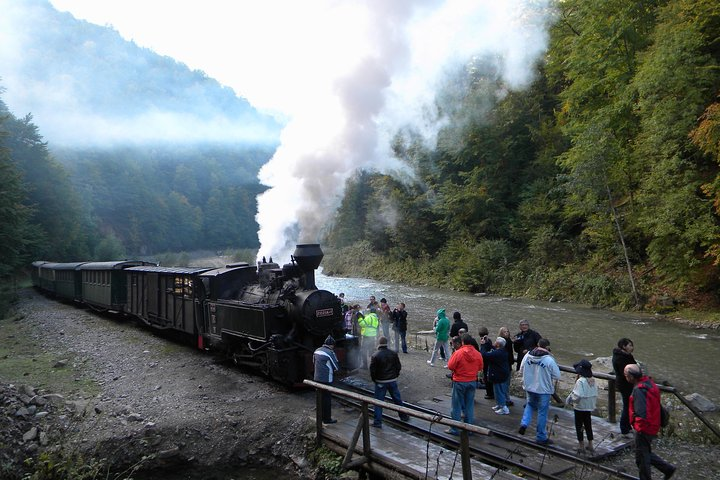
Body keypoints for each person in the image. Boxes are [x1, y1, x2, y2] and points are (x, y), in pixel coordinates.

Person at [624, 364, 676, 479]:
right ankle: (667, 469)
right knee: (644, 452)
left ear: (632, 377)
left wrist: (638, 427)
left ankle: (649, 476)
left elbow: (641, 413)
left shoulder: (638, 390)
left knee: (641, 459)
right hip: (653, 424)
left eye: (626, 375)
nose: (625, 377)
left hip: (644, 428)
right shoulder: (650, 383)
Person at [518, 338, 561, 445]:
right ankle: (541, 436)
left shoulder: (528, 355)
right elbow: (557, 375)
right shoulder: (549, 360)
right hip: (544, 389)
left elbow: (521, 369)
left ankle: (524, 423)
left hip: (529, 387)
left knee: (530, 405)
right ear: (547, 347)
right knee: (542, 412)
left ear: (538, 344)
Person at [445, 333, 484, 435]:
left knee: (456, 405)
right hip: (472, 381)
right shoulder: (477, 353)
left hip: (459, 381)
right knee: (469, 405)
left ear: (462, 342)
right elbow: (480, 367)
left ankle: (455, 428)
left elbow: (450, 366)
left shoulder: (458, 353)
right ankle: (469, 429)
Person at [369, 336, 410, 428]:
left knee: (378, 402)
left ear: (379, 344)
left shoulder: (375, 355)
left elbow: (372, 371)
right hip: (392, 380)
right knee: (397, 399)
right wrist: (395, 375)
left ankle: (377, 422)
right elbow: (398, 366)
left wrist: (375, 380)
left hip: (380, 381)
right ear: (386, 343)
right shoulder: (393, 353)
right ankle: (403, 416)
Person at [566, 359, 598, 454]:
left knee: (579, 425)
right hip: (589, 406)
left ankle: (581, 446)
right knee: (588, 424)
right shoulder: (592, 380)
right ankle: (591, 444)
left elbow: (578, 395)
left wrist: (571, 400)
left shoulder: (580, 381)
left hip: (580, 407)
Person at [313, 335, 340, 424]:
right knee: (327, 399)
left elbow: (314, 362)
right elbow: (336, 367)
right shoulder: (330, 353)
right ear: (332, 345)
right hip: (327, 379)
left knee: (319, 398)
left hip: (316, 378)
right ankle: (327, 419)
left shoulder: (316, 351)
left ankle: (319, 418)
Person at [613, 337, 637, 436]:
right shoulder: (620, 358)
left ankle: (627, 426)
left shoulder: (626, 356)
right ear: (624, 346)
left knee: (629, 405)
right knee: (627, 406)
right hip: (625, 384)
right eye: (630, 345)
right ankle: (624, 429)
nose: (632, 347)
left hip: (628, 384)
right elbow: (626, 372)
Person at [481, 337, 511, 415]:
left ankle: (504, 408)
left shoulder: (497, 353)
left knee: (499, 391)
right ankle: (499, 404)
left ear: (498, 344)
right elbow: (493, 347)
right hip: (501, 374)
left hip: (499, 375)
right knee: (497, 390)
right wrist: (488, 342)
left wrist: (483, 345)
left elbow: (484, 355)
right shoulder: (502, 350)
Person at [498, 326, 515, 406]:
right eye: (505, 332)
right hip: (505, 365)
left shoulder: (507, 342)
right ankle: (506, 399)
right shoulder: (505, 342)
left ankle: (504, 398)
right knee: (505, 383)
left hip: (506, 364)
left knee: (505, 383)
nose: (507, 333)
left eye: (507, 331)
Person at [478, 327, 494, 399]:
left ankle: (489, 393)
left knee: (486, 377)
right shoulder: (489, 340)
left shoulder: (484, 342)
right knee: (488, 377)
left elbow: (482, 353)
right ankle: (490, 392)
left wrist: (483, 345)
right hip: (489, 361)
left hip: (486, 362)